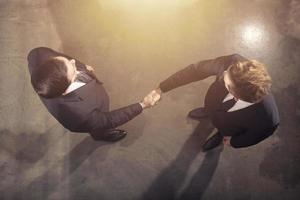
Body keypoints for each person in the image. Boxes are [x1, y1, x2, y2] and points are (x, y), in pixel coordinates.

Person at [148, 54, 280, 151]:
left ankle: (219, 136)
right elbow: (196, 70)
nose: (222, 74)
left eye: (227, 83)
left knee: (223, 131)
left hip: (228, 129)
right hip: (212, 103)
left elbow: (254, 136)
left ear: (237, 96)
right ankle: (207, 112)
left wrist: (234, 142)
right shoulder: (231, 64)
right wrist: (161, 88)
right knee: (210, 109)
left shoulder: (268, 118)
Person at [27, 47, 156, 142]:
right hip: (94, 114)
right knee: (97, 127)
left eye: (65, 61)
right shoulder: (82, 114)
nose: (73, 61)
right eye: (72, 68)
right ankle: (101, 135)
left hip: (86, 100)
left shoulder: (38, 55)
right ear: (65, 90)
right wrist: (142, 105)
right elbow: (107, 120)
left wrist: (82, 66)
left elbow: (64, 60)